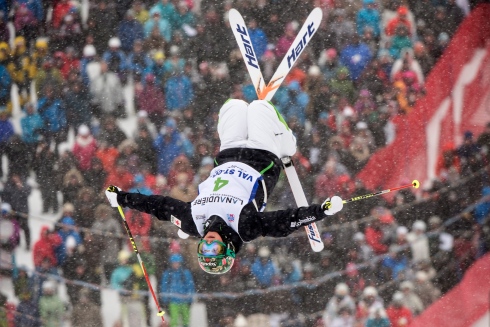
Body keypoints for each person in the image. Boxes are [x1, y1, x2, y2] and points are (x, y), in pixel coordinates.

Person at [106, 99, 344, 275]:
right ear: (227, 248)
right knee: (259, 108)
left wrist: (122, 198)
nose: (208, 242)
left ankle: (255, 117)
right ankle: (287, 142)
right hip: (262, 157)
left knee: (235, 106)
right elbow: (283, 222)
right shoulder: (243, 228)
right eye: (213, 248)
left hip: (228, 153)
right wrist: (320, 211)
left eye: (204, 247)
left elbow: (158, 205)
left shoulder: (192, 221)